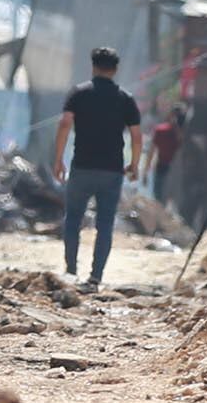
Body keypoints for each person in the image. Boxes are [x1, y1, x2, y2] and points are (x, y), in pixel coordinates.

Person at [44, 45, 145, 287]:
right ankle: (96, 276)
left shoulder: (79, 93)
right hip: (112, 170)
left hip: (82, 167)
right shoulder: (125, 98)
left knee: (73, 219)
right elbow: (137, 136)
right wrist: (134, 164)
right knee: (105, 224)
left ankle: (70, 270)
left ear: (93, 66)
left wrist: (58, 159)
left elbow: (65, 123)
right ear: (116, 69)